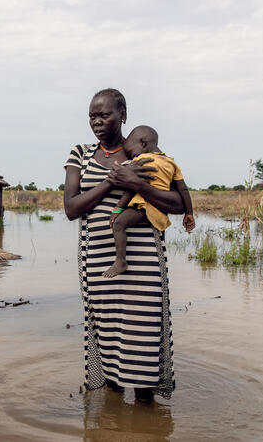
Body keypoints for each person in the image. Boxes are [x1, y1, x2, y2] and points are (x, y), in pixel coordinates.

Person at [63, 88, 184, 402]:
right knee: (109, 344)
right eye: (93, 115)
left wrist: (138, 183)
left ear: (123, 116)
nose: (98, 121)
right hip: (100, 263)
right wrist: (112, 181)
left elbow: (179, 203)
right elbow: (72, 208)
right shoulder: (81, 153)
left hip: (143, 263)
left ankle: (145, 415)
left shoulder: (147, 154)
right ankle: (115, 421)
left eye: (105, 114)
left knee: (142, 340)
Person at [102, 125, 195, 278]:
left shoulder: (141, 160)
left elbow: (132, 188)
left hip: (145, 206)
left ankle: (120, 261)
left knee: (118, 224)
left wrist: (118, 208)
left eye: (130, 151)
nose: (130, 156)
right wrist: (189, 213)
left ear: (143, 143)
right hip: (160, 209)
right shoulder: (172, 163)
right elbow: (183, 190)